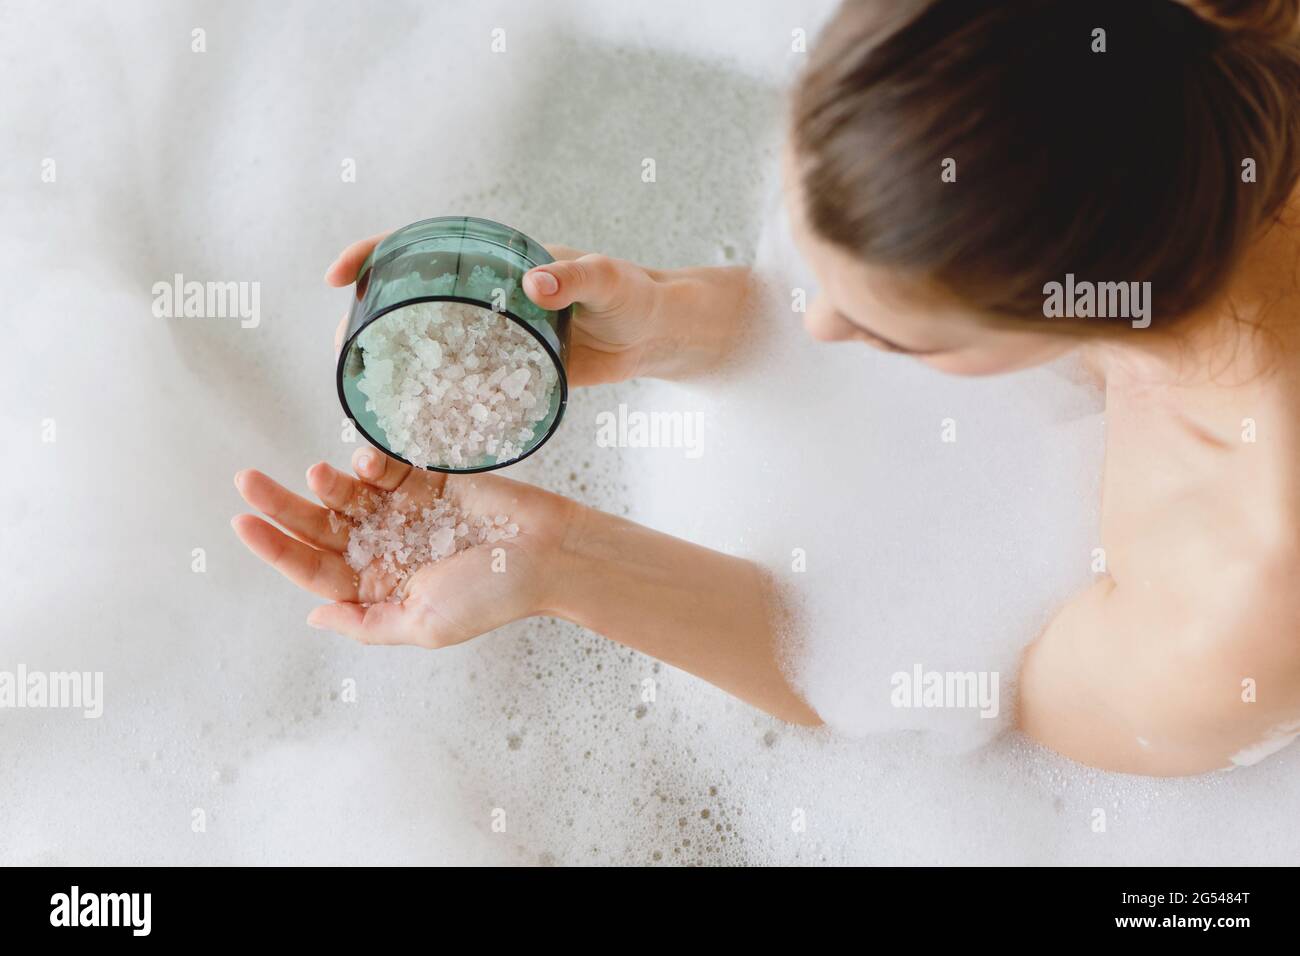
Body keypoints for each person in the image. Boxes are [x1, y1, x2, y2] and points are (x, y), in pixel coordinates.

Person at [233, 0, 1300, 775]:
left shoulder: (1235, 600)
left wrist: (559, 564)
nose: (818, 324)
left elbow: (954, 677)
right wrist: (675, 319)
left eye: (885, 332)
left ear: (1083, 309)